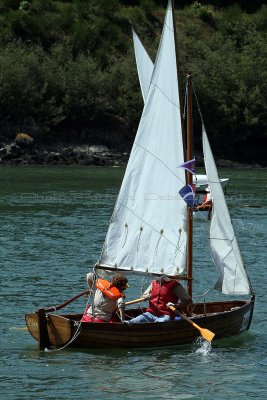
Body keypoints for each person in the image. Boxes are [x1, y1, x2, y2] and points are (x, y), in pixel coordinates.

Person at [125, 276, 192, 325]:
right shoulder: (154, 283)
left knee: (161, 323)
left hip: (165, 315)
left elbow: (188, 301)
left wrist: (175, 305)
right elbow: (142, 296)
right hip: (150, 314)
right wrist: (145, 297)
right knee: (132, 322)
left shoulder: (175, 285)